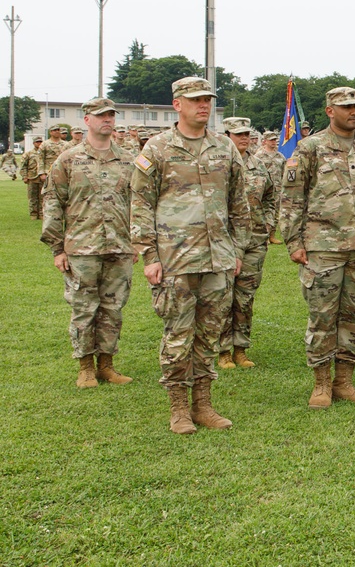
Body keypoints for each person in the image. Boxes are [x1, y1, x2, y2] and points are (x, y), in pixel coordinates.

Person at [131, 77, 250, 434]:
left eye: (208, 99)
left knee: (209, 334)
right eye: (196, 99)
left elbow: (239, 204)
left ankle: (203, 404)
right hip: (175, 259)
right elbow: (139, 205)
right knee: (178, 335)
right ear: (176, 104)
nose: (204, 105)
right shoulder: (157, 149)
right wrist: (150, 255)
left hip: (217, 259)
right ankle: (179, 408)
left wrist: (237, 249)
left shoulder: (224, 148)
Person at [279, 87, 355, 409]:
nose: (354, 112)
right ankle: (321, 384)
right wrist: (293, 242)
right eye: (346, 107)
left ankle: (345, 382)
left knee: (354, 315)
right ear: (330, 111)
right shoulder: (310, 147)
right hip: (322, 246)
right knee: (323, 316)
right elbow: (291, 199)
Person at [41, 97, 135, 388]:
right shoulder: (69, 159)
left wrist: (137, 242)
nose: (107, 120)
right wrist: (57, 247)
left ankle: (106, 364)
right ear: (87, 121)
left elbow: (138, 202)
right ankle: (85, 367)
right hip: (81, 247)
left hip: (119, 246)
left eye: (111, 115)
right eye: (101, 116)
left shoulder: (128, 159)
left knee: (113, 309)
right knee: (84, 308)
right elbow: (53, 200)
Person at [218, 117, 277, 370]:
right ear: (226, 135)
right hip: (224, 241)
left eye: (247, 134)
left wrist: (268, 222)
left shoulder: (258, 165)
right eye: (238, 134)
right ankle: (221, 350)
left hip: (254, 240)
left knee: (244, 298)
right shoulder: (217, 164)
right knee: (222, 297)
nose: (244, 138)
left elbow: (271, 196)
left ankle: (240, 348)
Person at [255, 130, 286, 244]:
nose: (274, 142)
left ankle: (272, 235)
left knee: (276, 212)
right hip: (263, 188)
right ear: (265, 141)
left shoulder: (280, 156)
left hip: (277, 188)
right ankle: (263, 235)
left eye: (275, 140)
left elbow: (284, 172)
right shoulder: (258, 156)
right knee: (263, 212)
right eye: (271, 140)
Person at [20, 137, 44, 218]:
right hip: (32, 177)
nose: (39, 143)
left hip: (42, 177)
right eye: (37, 142)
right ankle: (33, 214)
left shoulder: (44, 153)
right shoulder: (29, 153)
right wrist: (24, 176)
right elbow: (23, 166)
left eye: (40, 142)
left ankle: (41, 214)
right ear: (34, 143)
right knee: (32, 197)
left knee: (42, 197)